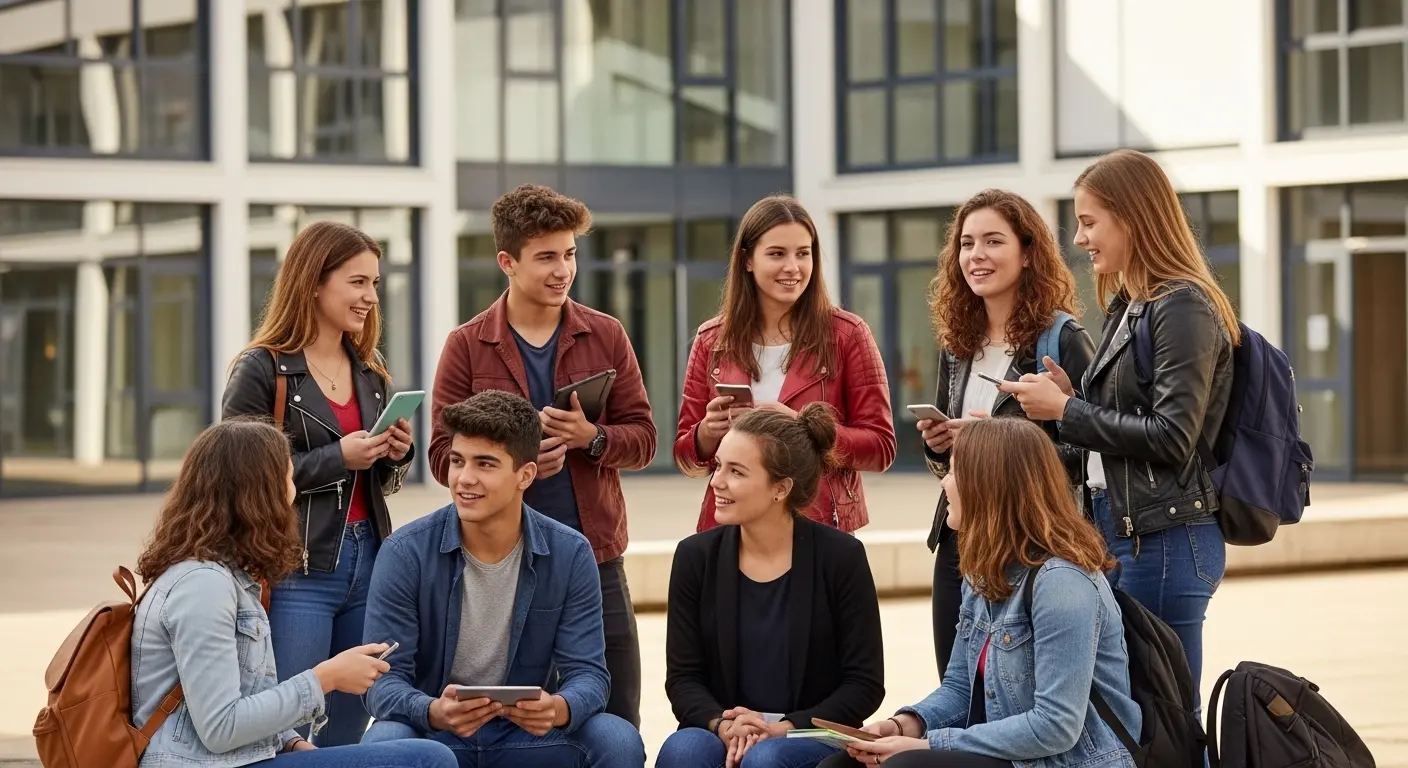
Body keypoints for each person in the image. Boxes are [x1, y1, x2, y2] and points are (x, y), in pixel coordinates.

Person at [1000, 148, 1236, 705]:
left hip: (1166, 537)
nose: (1079, 239)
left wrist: (1068, 412)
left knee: (1166, 718)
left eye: (1088, 222)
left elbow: (1173, 436)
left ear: (1133, 217)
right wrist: (1069, 400)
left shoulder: (1182, 305)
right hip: (1122, 531)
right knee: (1134, 717)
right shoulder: (1132, 304)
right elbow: (1127, 423)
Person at [429, 184, 655, 728]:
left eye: (570, 254)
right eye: (547, 257)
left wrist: (591, 439)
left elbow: (644, 438)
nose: (563, 269)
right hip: (498, 563)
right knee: (513, 720)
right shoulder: (466, 344)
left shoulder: (606, 334)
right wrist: (512, 471)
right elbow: (441, 455)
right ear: (507, 261)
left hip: (595, 556)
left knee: (615, 714)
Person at [129, 418, 455, 767]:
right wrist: (326, 678)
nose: (294, 492)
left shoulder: (229, 578)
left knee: (411, 752)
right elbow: (220, 727)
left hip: (244, 758)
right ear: (257, 495)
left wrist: (293, 744)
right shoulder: (203, 587)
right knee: (427, 759)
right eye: (287, 478)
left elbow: (246, 695)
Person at [818, 418, 1141, 768]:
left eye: (955, 471)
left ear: (990, 487)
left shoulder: (1062, 582)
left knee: (905, 766)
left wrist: (930, 746)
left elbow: (1056, 726)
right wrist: (905, 725)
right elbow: (959, 687)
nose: (944, 481)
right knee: (840, 766)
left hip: (1072, 760)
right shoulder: (985, 571)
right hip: (1018, 755)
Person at [360, 390, 645, 768]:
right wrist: (432, 711)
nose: (464, 478)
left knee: (617, 739)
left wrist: (559, 708)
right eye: (458, 461)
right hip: (437, 735)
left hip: (526, 736)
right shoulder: (405, 552)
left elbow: (589, 674)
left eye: (485, 464)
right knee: (384, 739)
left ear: (525, 475)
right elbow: (382, 680)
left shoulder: (570, 552)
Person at [223, 220, 415, 746]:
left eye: (374, 284)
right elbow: (235, 475)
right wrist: (339, 457)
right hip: (295, 567)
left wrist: (394, 454)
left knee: (351, 722)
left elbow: (379, 484)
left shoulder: (371, 373)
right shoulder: (263, 369)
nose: (370, 298)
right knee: (289, 721)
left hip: (370, 562)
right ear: (313, 282)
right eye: (357, 282)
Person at [919, 190, 1096, 678]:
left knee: (1015, 690)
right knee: (957, 686)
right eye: (967, 243)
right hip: (961, 536)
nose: (977, 255)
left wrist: (996, 446)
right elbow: (947, 459)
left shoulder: (1061, 338)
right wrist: (940, 445)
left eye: (993, 241)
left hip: (1029, 542)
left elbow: (1095, 452)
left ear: (1027, 252)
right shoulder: (958, 344)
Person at [659, 404, 885, 768]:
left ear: (780, 488)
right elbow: (683, 679)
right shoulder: (694, 557)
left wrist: (785, 728)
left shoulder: (841, 557)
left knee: (766, 760)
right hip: (723, 728)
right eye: (718, 466)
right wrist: (724, 724)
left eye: (736, 471)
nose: (716, 481)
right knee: (683, 752)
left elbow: (864, 685)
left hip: (808, 733)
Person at [675, 195, 896, 534]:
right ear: (748, 260)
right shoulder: (711, 339)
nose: (793, 267)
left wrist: (803, 427)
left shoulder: (848, 335)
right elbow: (685, 456)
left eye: (803, 254)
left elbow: (881, 447)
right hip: (731, 531)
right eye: (777, 254)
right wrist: (708, 432)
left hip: (818, 526)